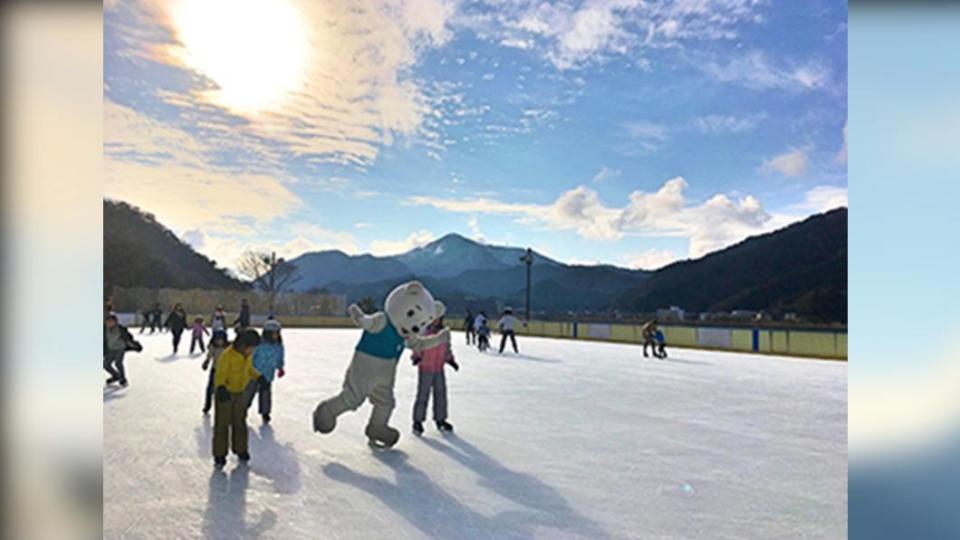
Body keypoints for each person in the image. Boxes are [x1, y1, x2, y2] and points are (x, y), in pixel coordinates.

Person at [212, 329, 262, 467]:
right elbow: (220, 374)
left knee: (240, 422)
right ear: (242, 345)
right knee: (222, 424)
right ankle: (220, 453)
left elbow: (249, 369)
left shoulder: (247, 356)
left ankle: (241, 449)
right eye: (251, 348)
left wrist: (259, 377)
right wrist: (220, 388)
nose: (252, 351)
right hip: (225, 394)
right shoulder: (227, 356)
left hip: (240, 393)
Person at [410, 317, 459, 435]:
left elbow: (447, 348)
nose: (435, 321)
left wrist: (451, 360)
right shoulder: (423, 332)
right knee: (423, 394)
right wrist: (416, 357)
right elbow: (417, 346)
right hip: (425, 367)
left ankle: (440, 419)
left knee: (441, 394)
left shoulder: (444, 333)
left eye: (438, 318)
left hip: (438, 368)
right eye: (433, 318)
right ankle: (418, 421)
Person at [247, 320, 285, 424]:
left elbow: (280, 358)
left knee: (266, 394)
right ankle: (243, 409)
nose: (276, 335)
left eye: (278, 333)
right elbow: (251, 357)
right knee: (249, 393)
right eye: (274, 333)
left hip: (268, 374)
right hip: (254, 374)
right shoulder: (258, 345)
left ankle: (265, 412)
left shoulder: (279, 346)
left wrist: (280, 367)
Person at [104, 314, 141, 386]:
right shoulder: (104, 330)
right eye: (108, 322)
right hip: (110, 349)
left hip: (120, 348)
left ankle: (123, 379)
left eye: (111, 321)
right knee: (106, 364)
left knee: (118, 363)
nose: (109, 323)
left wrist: (133, 345)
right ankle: (116, 375)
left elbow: (128, 338)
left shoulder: (120, 329)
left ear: (115, 322)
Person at [202, 331, 229, 414]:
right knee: (210, 388)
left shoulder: (228, 348)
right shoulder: (213, 347)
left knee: (226, 389)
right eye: (218, 340)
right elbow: (209, 355)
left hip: (226, 372)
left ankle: (225, 406)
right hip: (215, 370)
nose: (219, 342)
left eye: (221, 340)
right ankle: (207, 405)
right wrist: (206, 362)